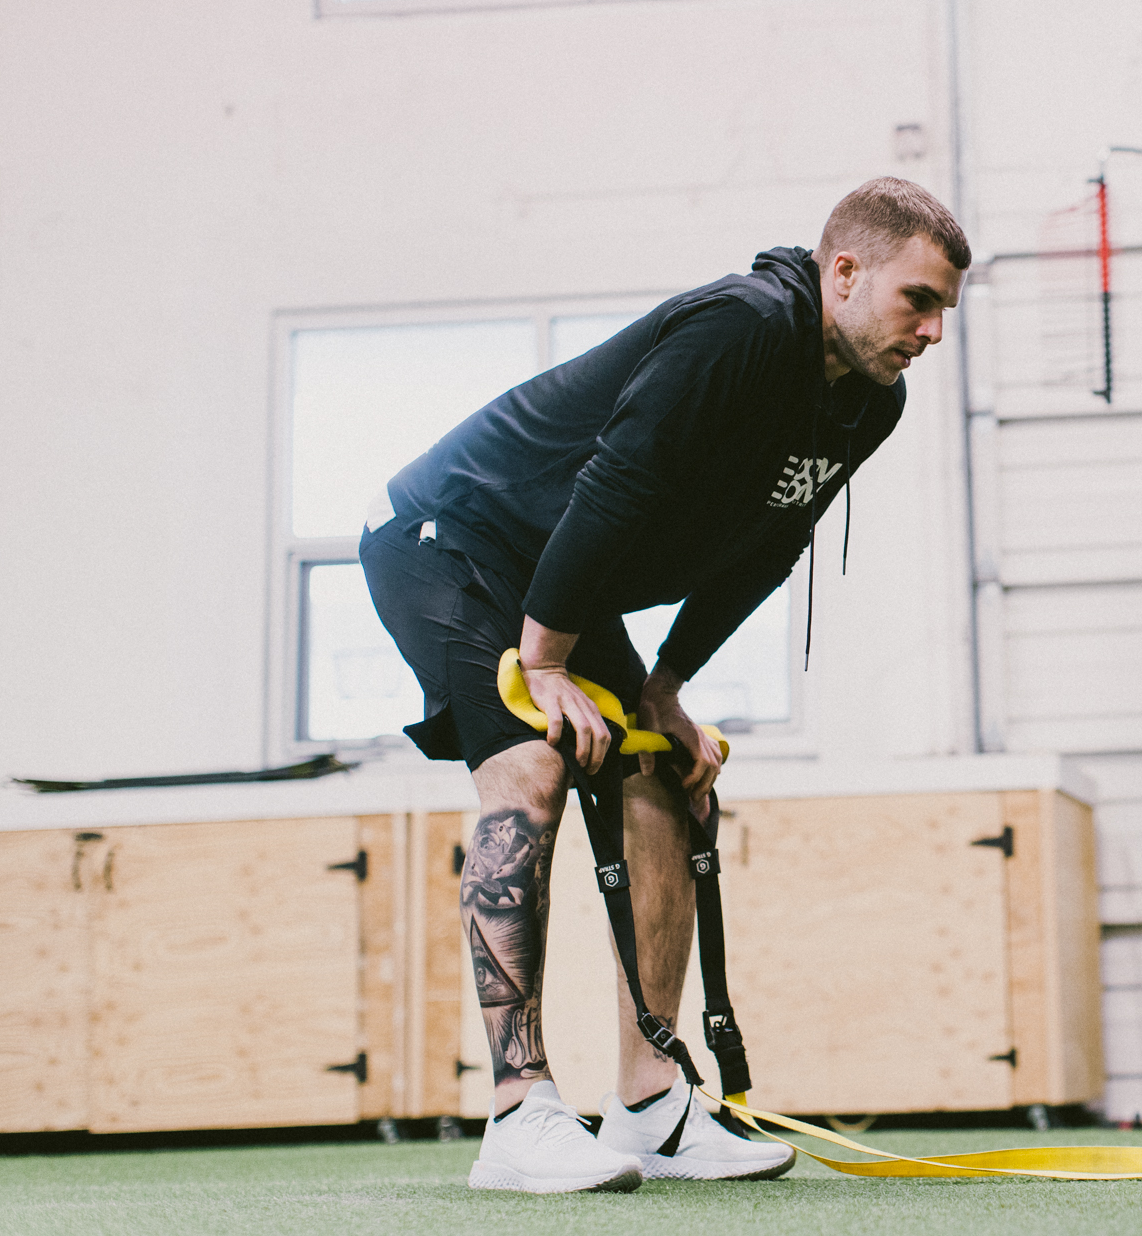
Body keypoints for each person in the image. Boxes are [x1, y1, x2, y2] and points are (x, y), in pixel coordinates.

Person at [359, 177, 969, 1193]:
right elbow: (617, 482)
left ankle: (647, 1107)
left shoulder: (869, 402)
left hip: (560, 571)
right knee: (530, 775)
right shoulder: (738, 328)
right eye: (919, 300)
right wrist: (544, 664)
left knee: (662, 781)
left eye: (945, 309)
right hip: (452, 538)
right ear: (846, 273)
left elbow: (766, 550)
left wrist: (667, 690)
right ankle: (520, 1115)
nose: (932, 331)